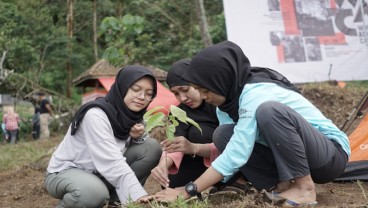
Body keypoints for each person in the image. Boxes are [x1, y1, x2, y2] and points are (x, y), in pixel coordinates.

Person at [154, 41, 350, 207]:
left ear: (220, 80)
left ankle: (304, 188)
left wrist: (188, 190)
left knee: (269, 111)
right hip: (303, 158)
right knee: (223, 134)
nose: (203, 96)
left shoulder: (255, 93)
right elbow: (233, 148)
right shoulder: (226, 104)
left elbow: (237, 152)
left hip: (329, 156)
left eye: (205, 89)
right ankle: (280, 186)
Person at [45, 65, 162, 207]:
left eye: (149, 93)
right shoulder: (96, 115)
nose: (142, 97)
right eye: (136, 90)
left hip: (102, 173)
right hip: (68, 171)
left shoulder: (134, 116)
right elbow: (112, 162)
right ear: (122, 87)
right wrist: (138, 194)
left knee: (151, 147)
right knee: (94, 194)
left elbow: (128, 152)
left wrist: (137, 137)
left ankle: (117, 203)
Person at [150, 59, 220, 189]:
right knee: (169, 183)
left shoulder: (217, 103)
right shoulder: (177, 112)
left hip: (224, 159)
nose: (182, 98)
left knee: (201, 133)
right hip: (198, 162)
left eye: (185, 89)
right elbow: (174, 144)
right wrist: (162, 165)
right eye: (176, 93)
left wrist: (194, 147)